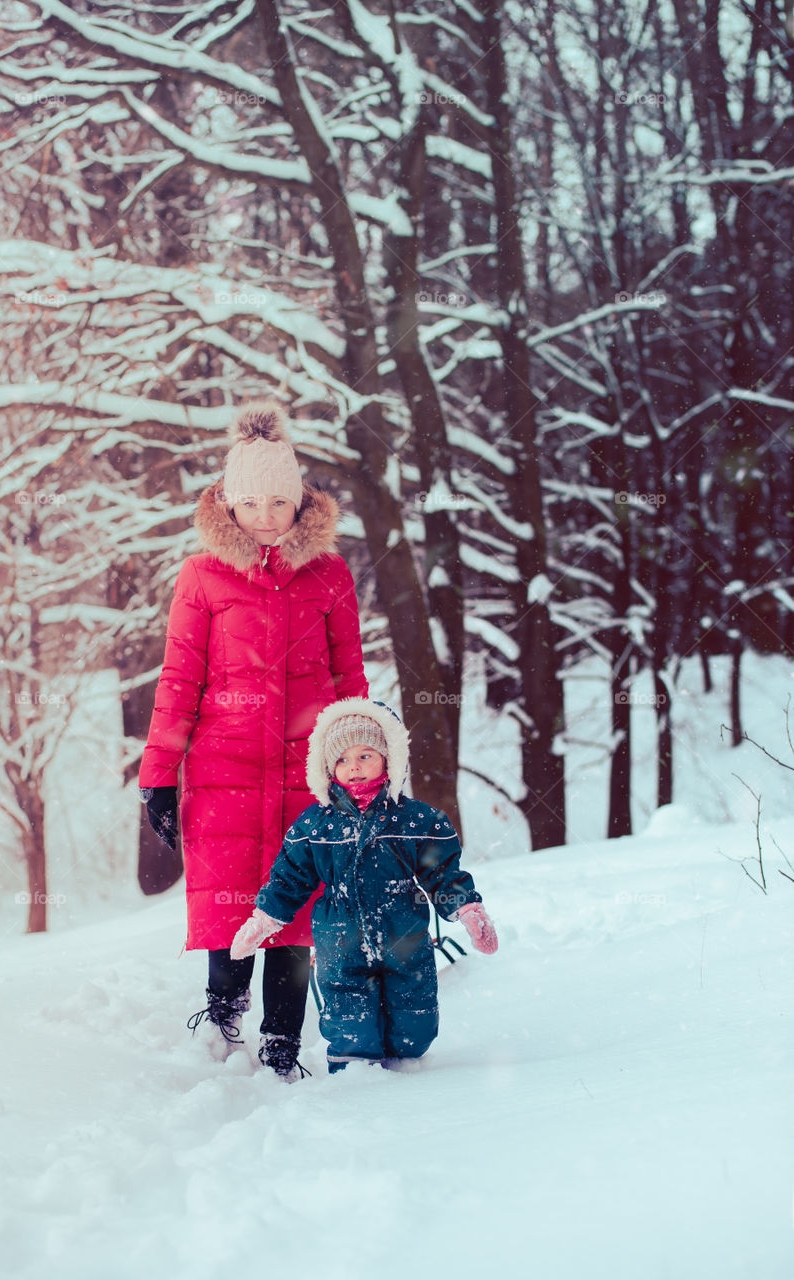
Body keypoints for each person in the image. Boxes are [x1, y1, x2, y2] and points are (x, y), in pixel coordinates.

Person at [138, 402, 368, 1081]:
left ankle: (282, 1041)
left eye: (279, 501)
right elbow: (179, 679)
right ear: (228, 506)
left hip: (307, 773)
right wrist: (157, 776)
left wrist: (362, 766)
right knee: (230, 900)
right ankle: (221, 1017)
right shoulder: (202, 576)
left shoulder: (328, 575)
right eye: (251, 502)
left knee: (295, 912)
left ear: (299, 503)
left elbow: (350, 679)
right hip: (222, 771)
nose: (266, 515)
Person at [231, 699, 498, 1072]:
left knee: (415, 1023)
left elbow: (444, 874)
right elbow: (289, 878)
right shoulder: (315, 825)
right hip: (340, 939)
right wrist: (265, 918)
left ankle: (408, 1069)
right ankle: (355, 1074)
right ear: (328, 768)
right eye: (342, 759)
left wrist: (467, 909)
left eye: (365, 755)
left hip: (405, 934)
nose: (354, 767)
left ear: (389, 759)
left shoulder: (418, 820)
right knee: (348, 1019)